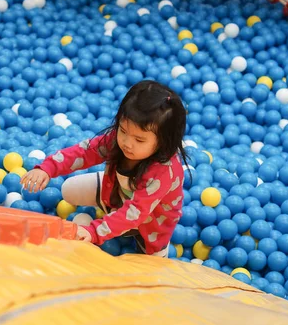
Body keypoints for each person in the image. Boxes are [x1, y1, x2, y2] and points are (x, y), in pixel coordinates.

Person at [20, 80, 189, 256]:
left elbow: (134, 213)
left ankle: (137, 236)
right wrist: (47, 168)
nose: (127, 143)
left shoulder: (163, 172)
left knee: (152, 270)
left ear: (163, 142)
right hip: (116, 194)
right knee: (68, 190)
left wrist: (93, 231)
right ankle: (111, 212)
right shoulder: (117, 141)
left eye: (139, 140)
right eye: (123, 131)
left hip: (150, 220)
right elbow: (83, 152)